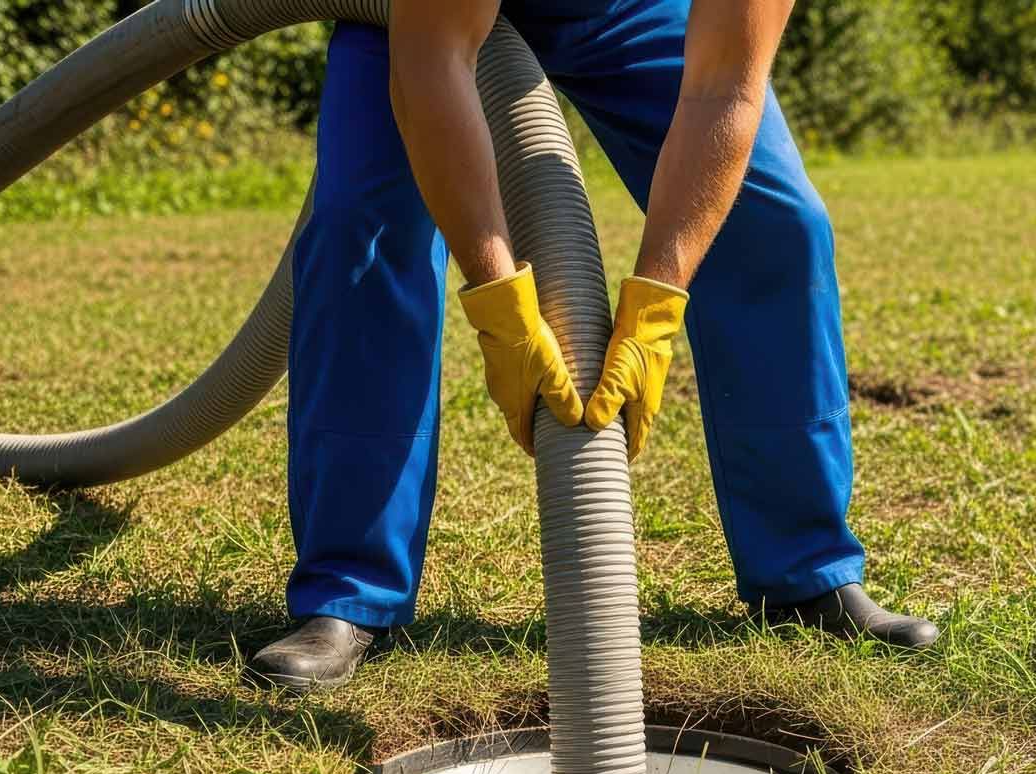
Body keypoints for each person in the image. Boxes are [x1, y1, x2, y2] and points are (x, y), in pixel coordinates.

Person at [248, 0, 939, 691]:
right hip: (413, 22)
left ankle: (807, 570)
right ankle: (348, 592)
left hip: (630, 8)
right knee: (359, 234)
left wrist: (657, 304)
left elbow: (724, 86)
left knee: (780, 227)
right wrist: (501, 304)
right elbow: (432, 65)